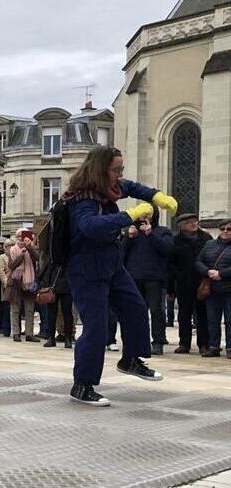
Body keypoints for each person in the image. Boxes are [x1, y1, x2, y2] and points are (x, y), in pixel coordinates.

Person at [63, 146, 176, 406]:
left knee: (136, 308)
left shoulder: (109, 188)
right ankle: (82, 385)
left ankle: (131, 359)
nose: (120, 175)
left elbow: (133, 187)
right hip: (87, 267)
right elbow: (90, 227)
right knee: (97, 328)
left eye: (121, 169)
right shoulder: (82, 198)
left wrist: (157, 196)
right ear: (101, 170)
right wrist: (129, 215)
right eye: (116, 170)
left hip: (112, 264)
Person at [123, 204, 174, 354]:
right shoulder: (133, 231)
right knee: (137, 311)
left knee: (156, 310)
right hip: (134, 277)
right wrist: (129, 237)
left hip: (154, 278)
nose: (144, 218)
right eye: (142, 214)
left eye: (148, 214)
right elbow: (121, 254)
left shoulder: (163, 231)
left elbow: (168, 249)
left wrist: (151, 234)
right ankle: (138, 341)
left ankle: (158, 341)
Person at [171, 213, 212, 354]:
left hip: (202, 281)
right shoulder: (175, 240)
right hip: (183, 283)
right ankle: (184, 343)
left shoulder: (206, 238)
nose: (194, 224)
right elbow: (170, 262)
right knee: (184, 314)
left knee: (203, 314)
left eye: (195, 221)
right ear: (181, 226)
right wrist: (175, 279)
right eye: (190, 222)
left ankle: (204, 344)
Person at [197, 219, 231, 358]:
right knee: (212, 319)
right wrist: (207, 271)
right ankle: (213, 346)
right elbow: (198, 261)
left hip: (229, 288)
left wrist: (221, 274)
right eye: (222, 228)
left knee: (230, 320)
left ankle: (230, 347)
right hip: (212, 289)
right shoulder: (209, 244)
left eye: (229, 229)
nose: (225, 231)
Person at [4, 230, 40, 342]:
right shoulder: (13, 250)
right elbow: (11, 265)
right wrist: (22, 254)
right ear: (16, 237)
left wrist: (29, 248)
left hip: (29, 281)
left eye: (23, 236)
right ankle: (16, 333)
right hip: (16, 281)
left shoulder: (32, 248)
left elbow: (37, 258)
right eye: (19, 236)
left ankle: (29, 333)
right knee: (15, 309)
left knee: (30, 309)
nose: (21, 238)